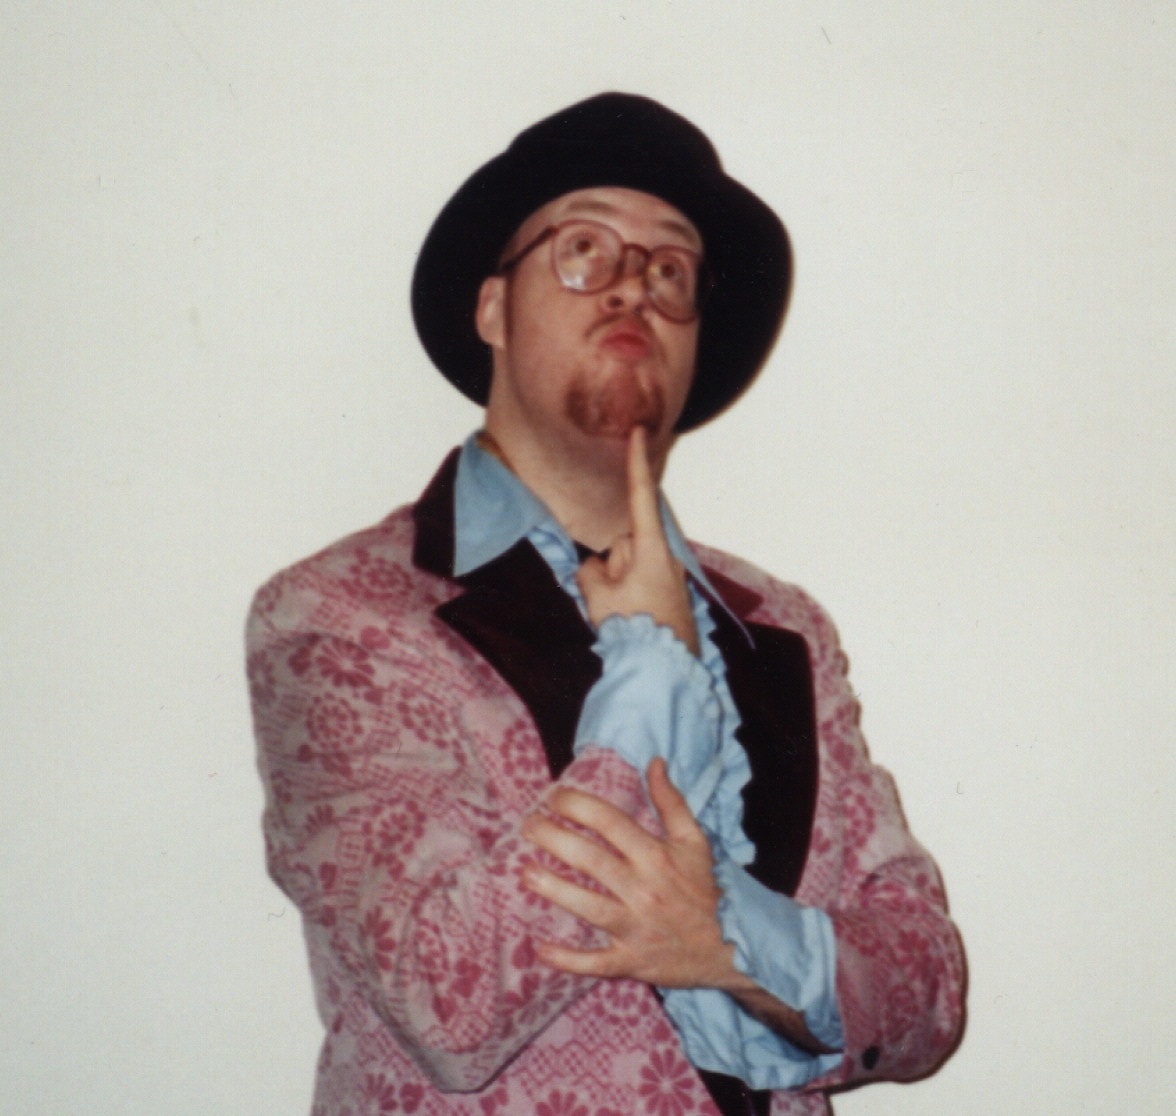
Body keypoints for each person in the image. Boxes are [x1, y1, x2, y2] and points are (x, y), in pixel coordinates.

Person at [246, 93, 964, 1116]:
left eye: (670, 270)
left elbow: (927, 991)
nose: (633, 286)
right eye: (583, 248)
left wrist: (723, 941)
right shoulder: (338, 616)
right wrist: (652, 663)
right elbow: (451, 996)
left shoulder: (783, 625)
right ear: (493, 309)